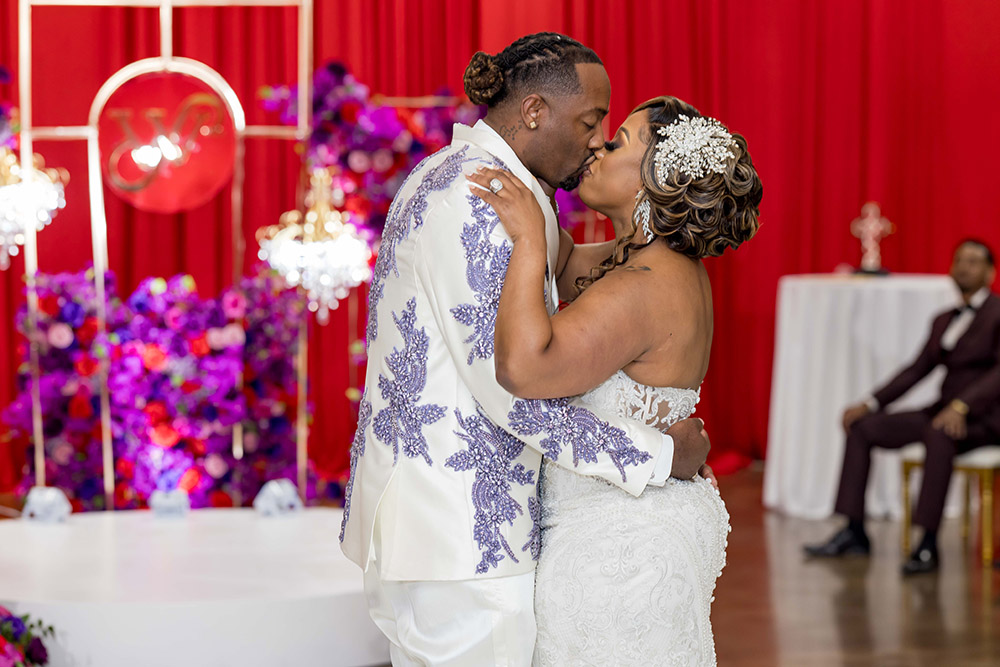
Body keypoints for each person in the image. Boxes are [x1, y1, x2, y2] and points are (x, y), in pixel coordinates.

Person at [339, 33, 712, 666]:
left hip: (445, 530)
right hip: (460, 538)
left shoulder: (480, 181)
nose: (597, 140)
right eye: (592, 122)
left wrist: (668, 239)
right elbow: (509, 389)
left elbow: (585, 270)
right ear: (535, 111)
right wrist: (660, 455)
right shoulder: (483, 201)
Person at [468, 96, 762, 664]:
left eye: (620, 140)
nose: (599, 145)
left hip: (619, 552)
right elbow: (566, 261)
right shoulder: (654, 266)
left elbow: (525, 368)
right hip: (639, 525)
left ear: (660, 175)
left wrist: (528, 237)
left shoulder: (645, 284)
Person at [805, 240, 1000, 575]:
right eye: (959, 260)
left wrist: (962, 405)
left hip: (984, 417)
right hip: (942, 411)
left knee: (940, 432)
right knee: (863, 428)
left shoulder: (998, 313)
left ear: (991, 272)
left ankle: (927, 543)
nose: (964, 267)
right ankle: (853, 531)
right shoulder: (943, 320)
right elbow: (916, 369)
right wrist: (870, 402)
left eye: (973, 261)